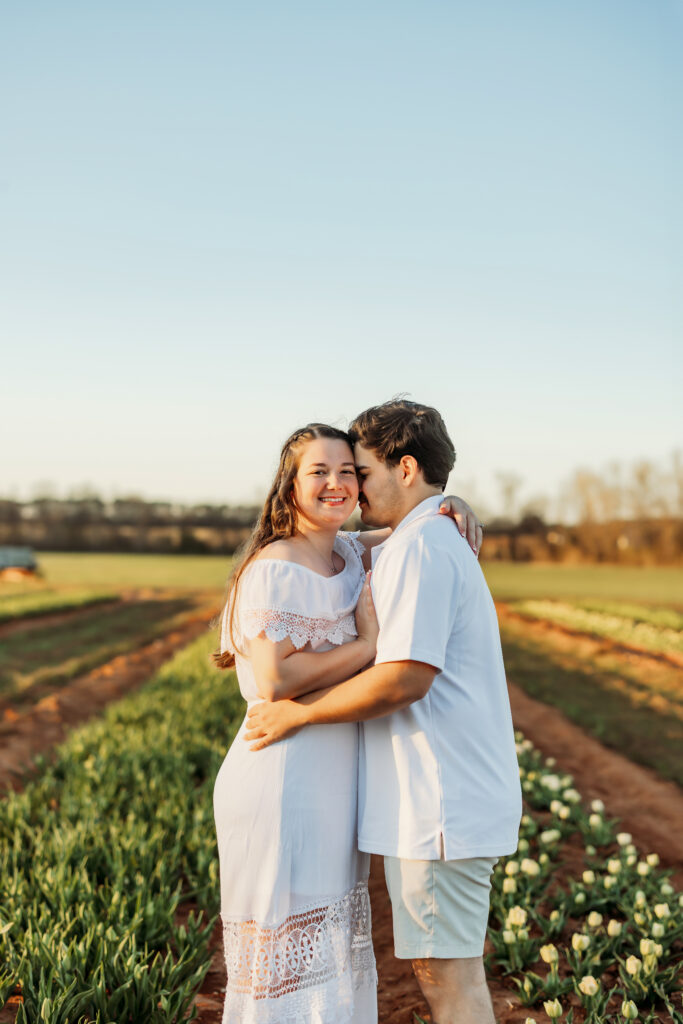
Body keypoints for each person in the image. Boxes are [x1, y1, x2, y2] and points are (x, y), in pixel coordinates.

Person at [245, 400, 523, 1024]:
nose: (354, 489)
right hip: (434, 802)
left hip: (439, 805)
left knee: (448, 979)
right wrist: (451, 502)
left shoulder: (423, 545)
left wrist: (298, 715)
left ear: (406, 469)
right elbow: (335, 544)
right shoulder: (417, 538)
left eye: (361, 473)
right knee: (444, 972)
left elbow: (404, 679)